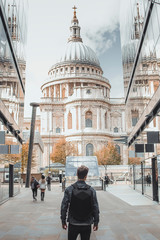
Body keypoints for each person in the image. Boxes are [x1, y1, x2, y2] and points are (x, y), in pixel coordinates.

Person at [61, 165, 99, 240]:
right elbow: (95, 207)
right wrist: (96, 222)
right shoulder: (91, 190)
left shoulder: (69, 189)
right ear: (86, 176)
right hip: (87, 223)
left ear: (77, 174)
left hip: (73, 222)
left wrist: (63, 221)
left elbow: (64, 206)